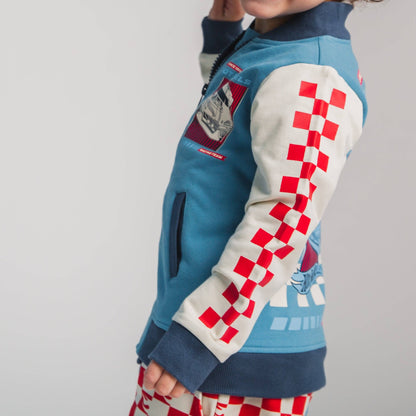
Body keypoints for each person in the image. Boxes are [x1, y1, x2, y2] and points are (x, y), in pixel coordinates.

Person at [128, 0, 383, 415]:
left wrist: (199, 338)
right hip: (207, 330)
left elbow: (282, 222)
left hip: (224, 350)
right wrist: (223, 39)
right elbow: (236, 121)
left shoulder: (310, 76)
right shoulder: (275, 50)